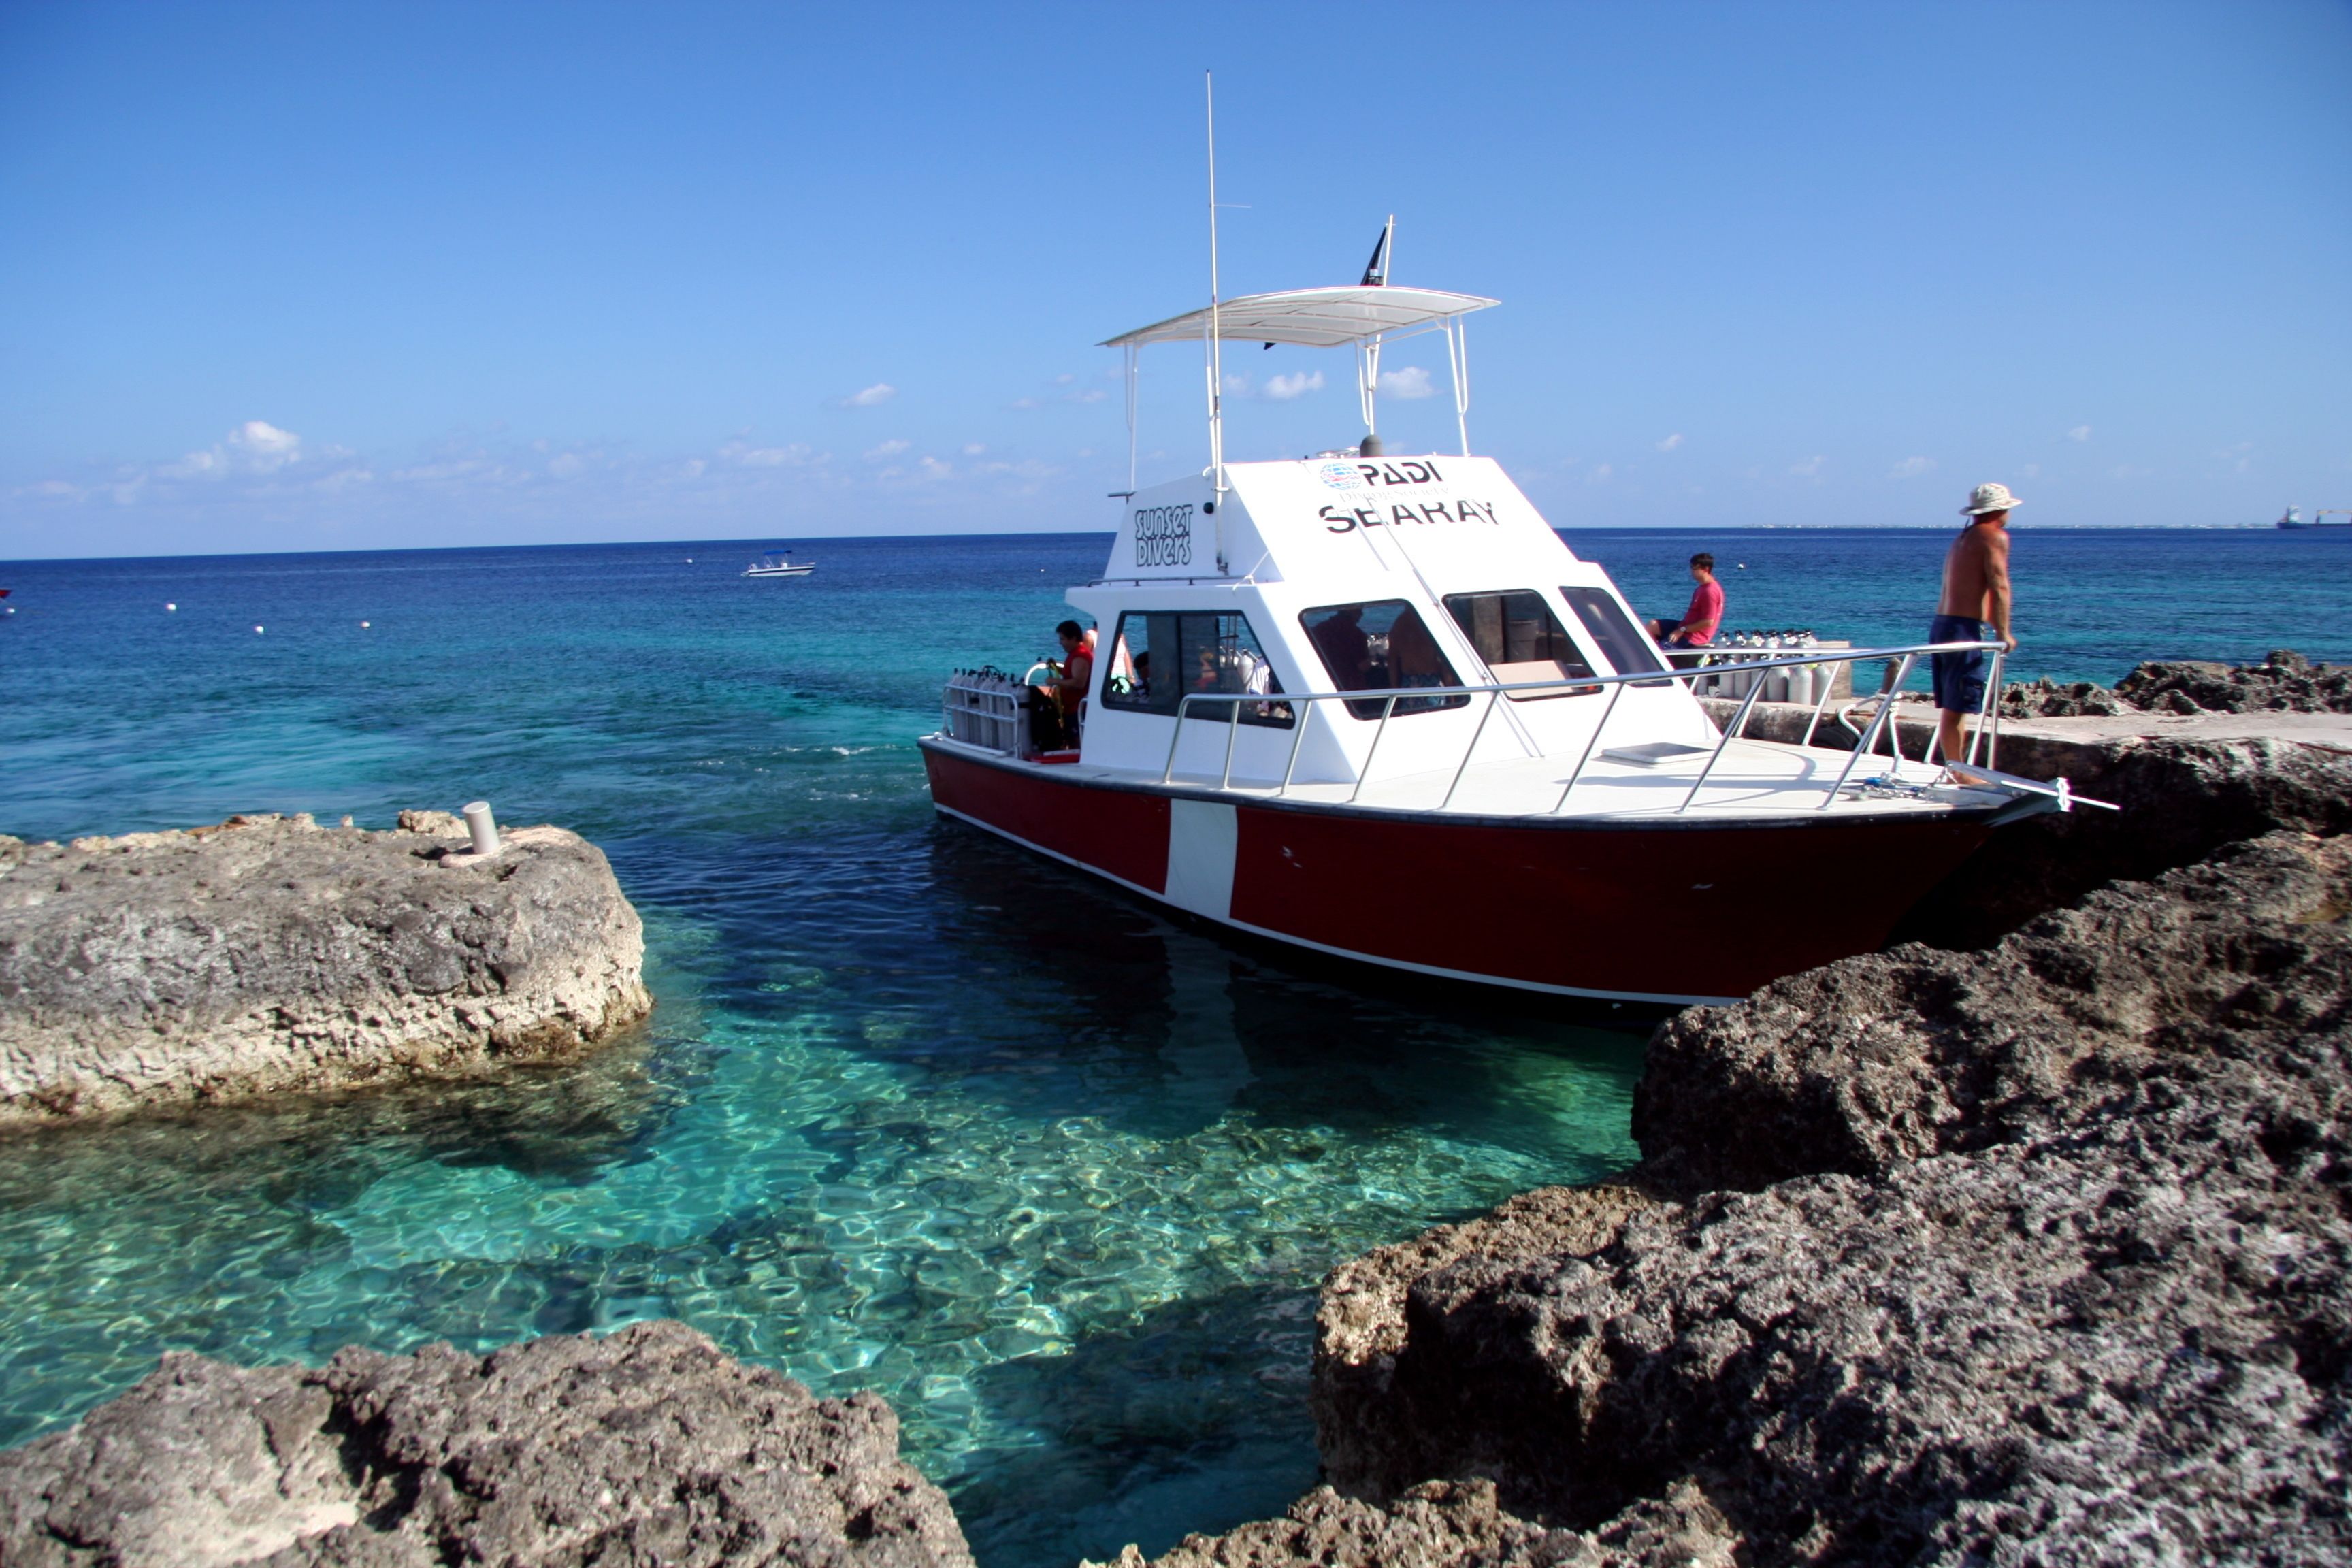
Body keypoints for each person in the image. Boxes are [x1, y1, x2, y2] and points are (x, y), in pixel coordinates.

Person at [1931, 483, 2020, 772]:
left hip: (1943, 625)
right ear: (2000, 510)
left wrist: (1994, 623)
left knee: (1952, 707)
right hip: (1962, 629)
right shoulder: (1993, 536)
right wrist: (2004, 633)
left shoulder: (1964, 538)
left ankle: (1954, 768)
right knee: (1959, 705)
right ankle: (1959, 772)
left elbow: (1979, 591)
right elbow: (1999, 585)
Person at [1648, 554, 1723, 647]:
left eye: (1695, 568)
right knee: (1652, 625)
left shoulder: (1710, 591)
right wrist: (1682, 628)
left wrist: (1682, 630)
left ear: (1706, 569)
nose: (1692, 571)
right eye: (1691, 567)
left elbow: (1708, 622)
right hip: (1685, 627)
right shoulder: (1702, 588)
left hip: (1694, 636)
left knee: (1662, 650)